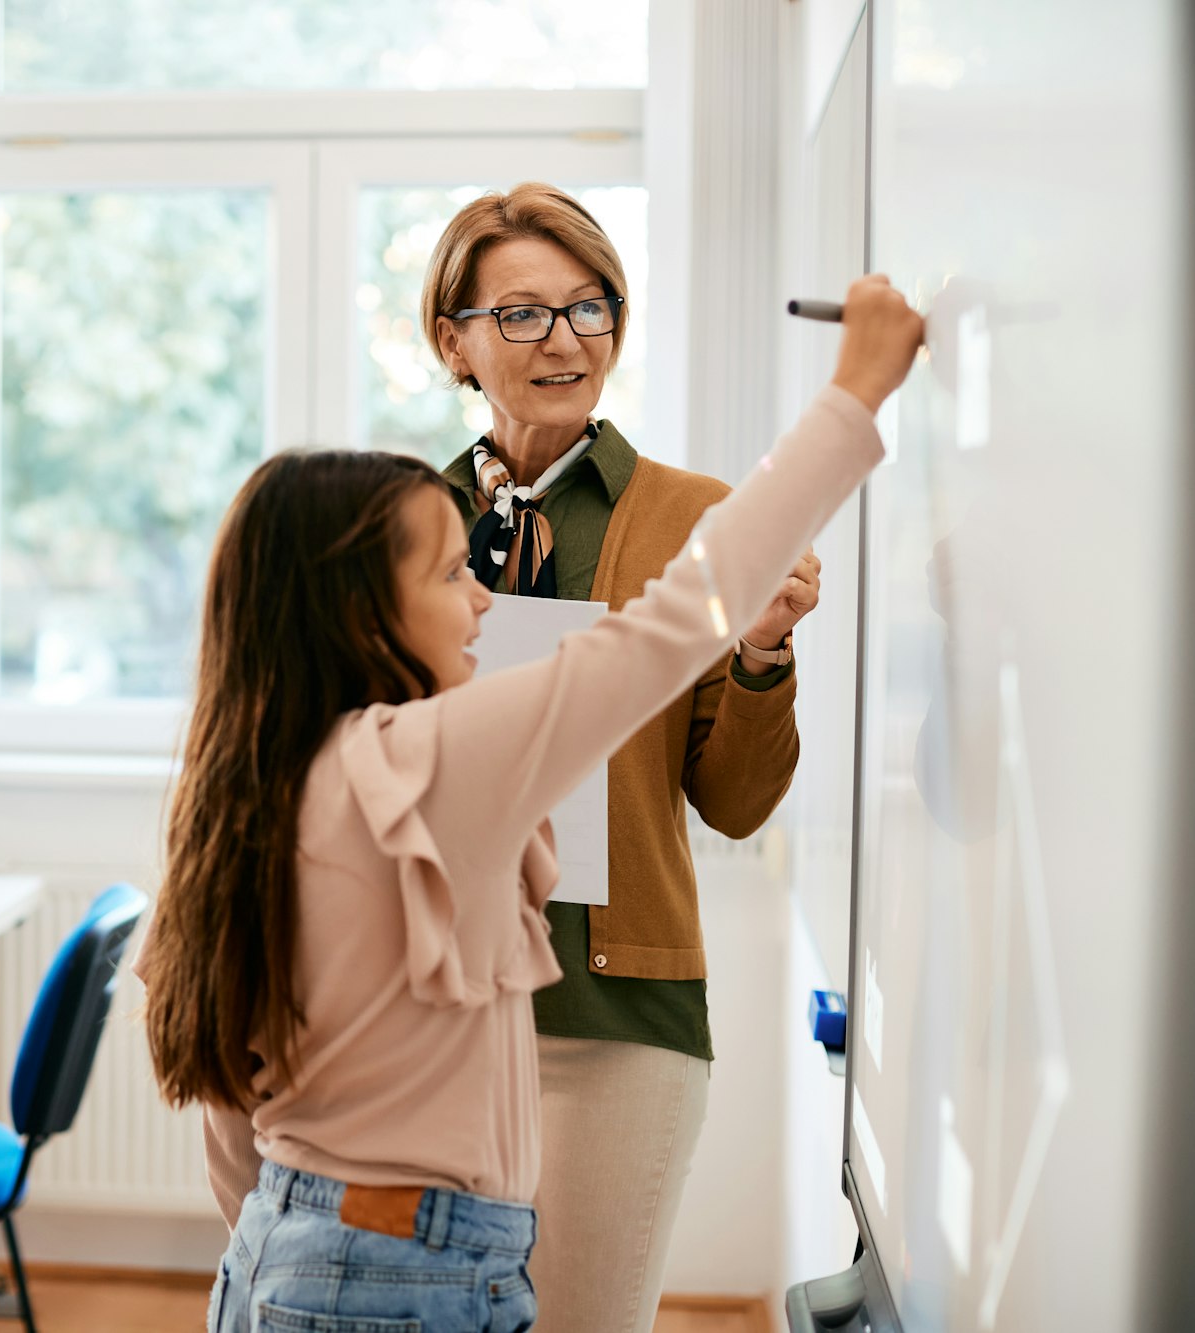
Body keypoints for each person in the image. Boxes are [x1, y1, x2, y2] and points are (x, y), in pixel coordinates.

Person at [137, 276, 921, 1332]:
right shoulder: (425, 758)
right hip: (396, 1275)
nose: (481, 602)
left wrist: (302, 1263)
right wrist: (858, 388)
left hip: (291, 1249)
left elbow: (234, 1132)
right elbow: (674, 623)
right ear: (358, 606)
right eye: (454, 574)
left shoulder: (250, 779)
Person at [423, 182, 820, 1332]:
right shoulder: (402, 522)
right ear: (453, 340)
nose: (564, 340)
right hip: (429, 1008)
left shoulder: (704, 520)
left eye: (589, 307)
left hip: (616, 1014)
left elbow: (736, 804)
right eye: (521, 314)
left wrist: (759, 653)